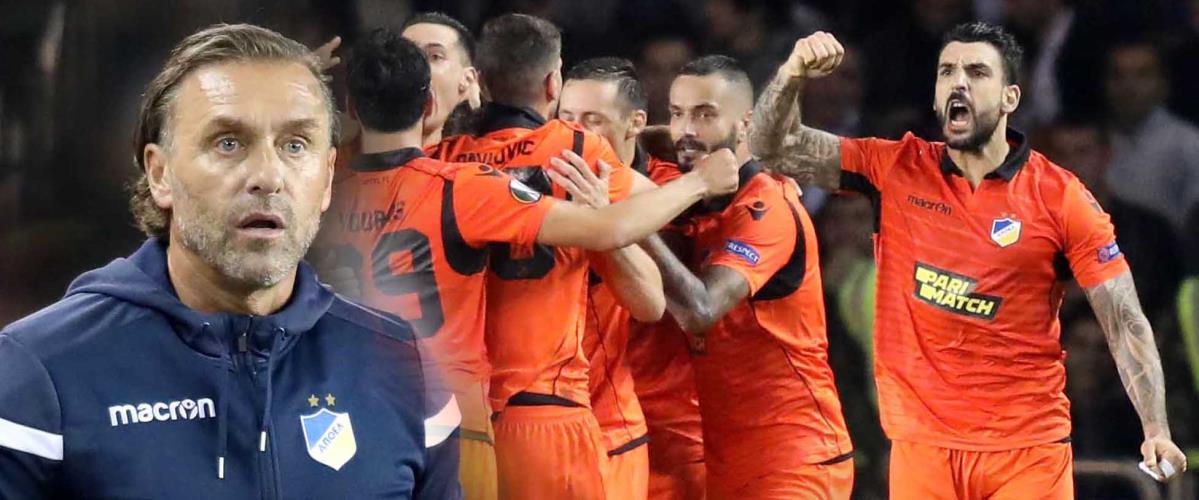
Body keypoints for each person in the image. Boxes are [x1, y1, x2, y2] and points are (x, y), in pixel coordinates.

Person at [0, 24, 461, 498]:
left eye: (295, 145)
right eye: (228, 142)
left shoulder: (404, 368)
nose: (267, 176)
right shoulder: (40, 372)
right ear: (160, 174)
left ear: (327, 179)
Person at [748, 23, 1188, 499]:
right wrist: (791, 74)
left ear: (1010, 97)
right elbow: (771, 148)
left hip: (1026, 452)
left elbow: (1123, 319)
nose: (958, 83)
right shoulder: (894, 167)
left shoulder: (1060, 197)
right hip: (922, 450)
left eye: (977, 72)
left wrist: (1155, 427)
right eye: (947, 72)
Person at [320, 31, 738, 500]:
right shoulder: (480, 179)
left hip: (371, 417)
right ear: (553, 84)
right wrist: (697, 179)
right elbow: (633, 257)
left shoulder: (325, 194)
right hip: (519, 414)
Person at [637, 54, 854, 498]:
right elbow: (656, 142)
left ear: (746, 125)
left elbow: (699, 310)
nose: (687, 129)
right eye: (677, 113)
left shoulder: (766, 206)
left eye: (705, 114)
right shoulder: (692, 193)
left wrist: (630, 222)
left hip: (794, 457)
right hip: (726, 457)